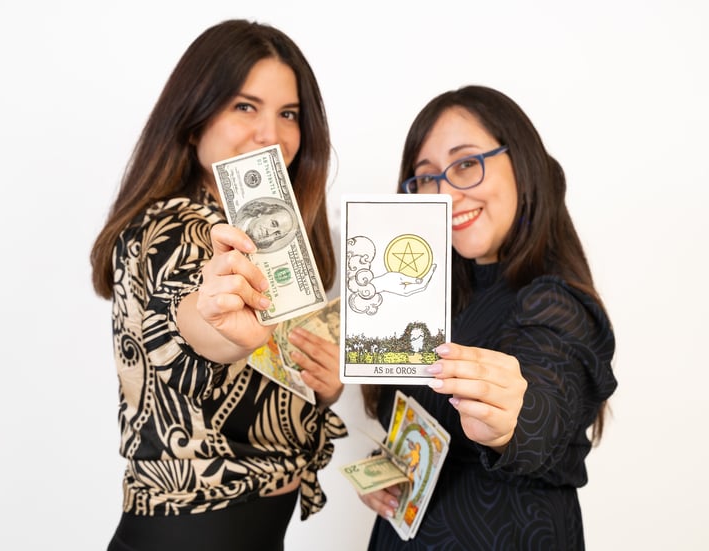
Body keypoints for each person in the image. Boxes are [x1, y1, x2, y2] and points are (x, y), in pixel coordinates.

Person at [89, 19, 346, 551]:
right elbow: (186, 319)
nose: (271, 135)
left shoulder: (259, 232)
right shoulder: (177, 226)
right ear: (193, 121)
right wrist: (218, 325)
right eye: (245, 106)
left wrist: (323, 387)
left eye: (289, 114)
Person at [358, 85, 617, 550]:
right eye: (426, 178)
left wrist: (511, 420)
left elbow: (546, 402)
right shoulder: (429, 299)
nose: (445, 193)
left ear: (522, 165)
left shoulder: (555, 304)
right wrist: (391, 467)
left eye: (466, 164)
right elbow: (427, 427)